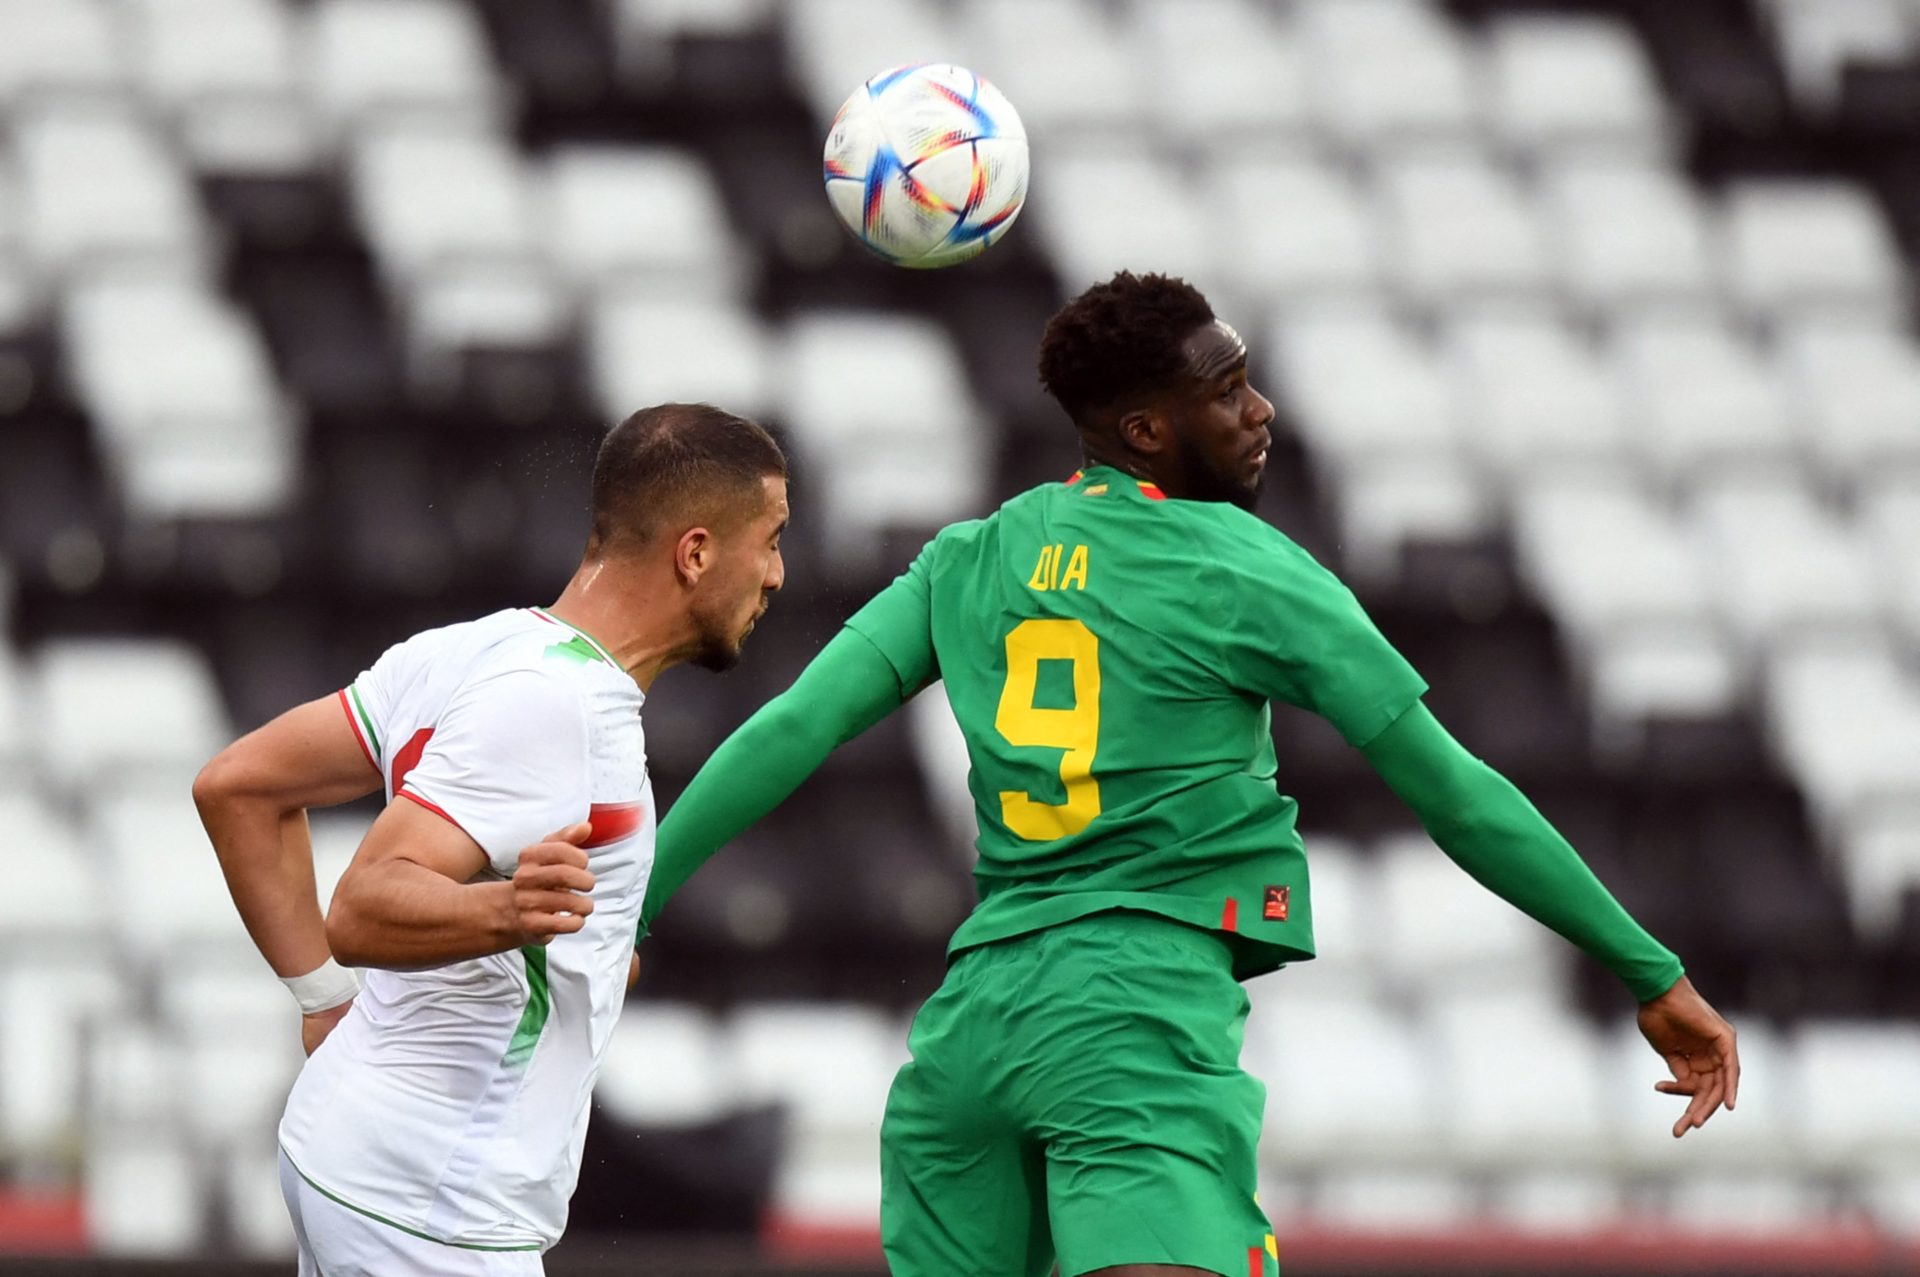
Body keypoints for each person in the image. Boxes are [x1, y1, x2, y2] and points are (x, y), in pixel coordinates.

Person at [642, 274, 1741, 1277]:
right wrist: (1649, 970)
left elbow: (789, 730)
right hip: (1131, 1014)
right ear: (1145, 428)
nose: (1260, 412)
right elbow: (1456, 794)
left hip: (970, 1035)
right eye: (1229, 391)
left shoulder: (970, 555)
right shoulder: (1244, 566)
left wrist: (635, 902)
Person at [192, 403, 788, 1276]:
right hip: (434, 1202)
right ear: (695, 552)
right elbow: (363, 904)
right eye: (771, 538)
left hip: (355, 1155)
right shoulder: (560, 706)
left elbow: (237, 784)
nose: (777, 573)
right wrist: (507, 911)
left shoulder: (470, 649)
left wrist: (323, 1000)